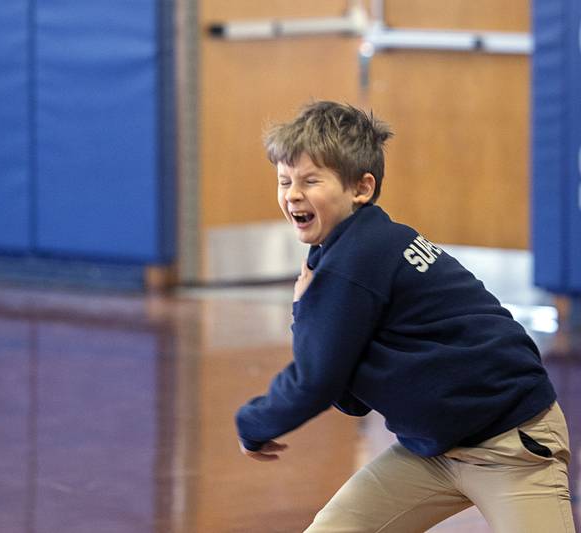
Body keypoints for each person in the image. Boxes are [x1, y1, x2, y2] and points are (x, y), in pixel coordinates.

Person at [235, 100, 575, 532]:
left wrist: (253, 423)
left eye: (311, 180)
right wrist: (308, 309)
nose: (293, 194)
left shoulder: (355, 260)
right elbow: (349, 395)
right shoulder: (348, 254)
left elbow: (316, 380)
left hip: (509, 446)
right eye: (284, 181)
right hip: (431, 453)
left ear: (361, 188)